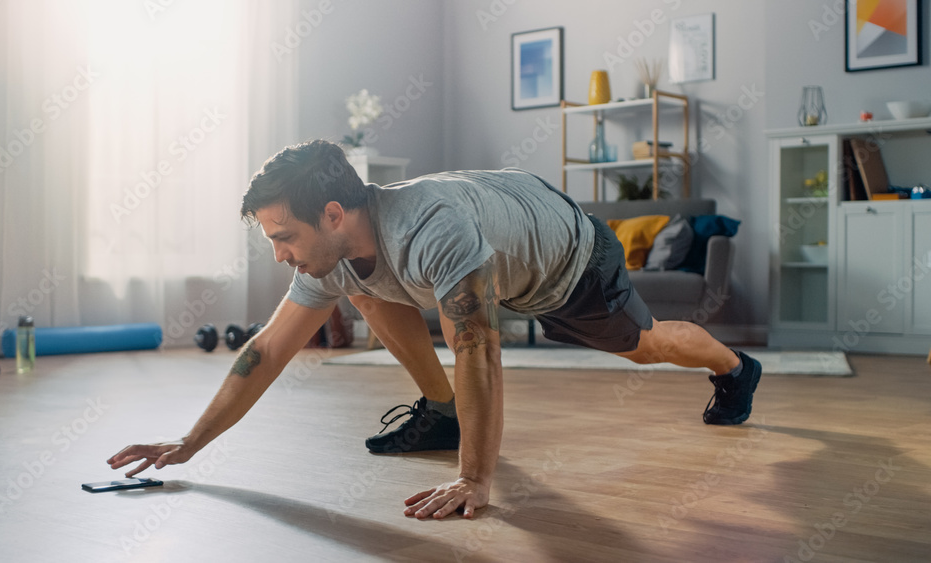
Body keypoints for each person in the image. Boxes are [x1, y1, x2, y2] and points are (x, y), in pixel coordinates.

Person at [107, 139, 761, 520]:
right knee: (360, 289)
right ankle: (440, 409)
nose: (280, 253)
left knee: (646, 348)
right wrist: (187, 443)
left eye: (284, 237)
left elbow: (478, 347)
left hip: (569, 260)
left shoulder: (429, 232)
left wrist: (475, 481)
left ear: (333, 213)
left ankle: (734, 367)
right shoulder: (337, 251)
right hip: (502, 233)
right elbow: (268, 350)